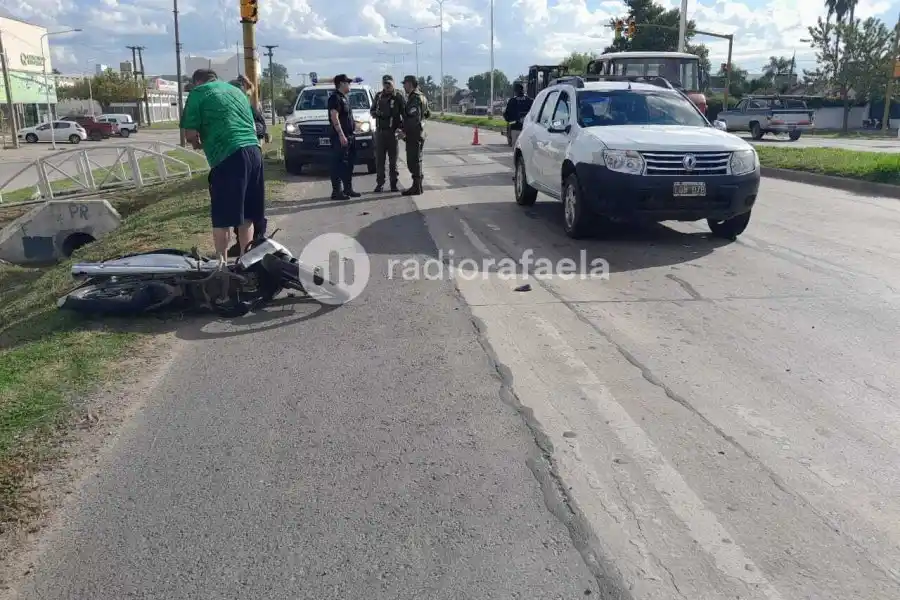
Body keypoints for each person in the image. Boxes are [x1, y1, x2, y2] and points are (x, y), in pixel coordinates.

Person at [180, 68, 264, 266]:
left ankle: (222, 266)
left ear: (197, 82)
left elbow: (190, 134)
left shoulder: (198, 93)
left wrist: (199, 144)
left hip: (229, 156)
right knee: (246, 215)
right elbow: (252, 122)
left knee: (223, 218)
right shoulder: (236, 91)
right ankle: (247, 263)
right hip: (254, 152)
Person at [227, 75, 269, 257]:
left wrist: (253, 132)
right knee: (239, 204)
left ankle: (258, 238)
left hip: (251, 155)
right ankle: (242, 241)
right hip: (236, 156)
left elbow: (261, 125)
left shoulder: (248, 107)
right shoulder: (231, 106)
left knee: (252, 203)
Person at [327, 74, 361, 200]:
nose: (349, 85)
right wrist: (341, 135)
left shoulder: (344, 98)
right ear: (341, 83)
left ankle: (348, 189)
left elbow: (346, 117)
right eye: (348, 82)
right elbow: (334, 117)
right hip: (340, 137)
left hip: (350, 136)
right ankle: (337, 191)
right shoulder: (335, 98)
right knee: (338, 164)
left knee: (349, 164)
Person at [370, 74, 405, 193]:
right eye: (385, 84)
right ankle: (380, 184)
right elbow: (372, 111)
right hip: (380, 132)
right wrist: (379, 113)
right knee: (380, 160)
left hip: (392, 133)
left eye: (389, 83)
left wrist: (402, 128)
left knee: (393, 161)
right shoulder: (378, 96)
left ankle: (393, 184)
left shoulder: (398, 97)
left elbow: (404, 114)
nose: (387, 86)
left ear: (393, 83)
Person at [399, 74, 430, 196]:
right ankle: (417, 186)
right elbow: (428, 114)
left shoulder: (415, 98)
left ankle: (416, 187)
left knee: (413, 161)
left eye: (404, 84)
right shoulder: (422, 97)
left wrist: (404, 132)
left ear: (410, 84)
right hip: (419, 132)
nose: (403, 86)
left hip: (414, 133)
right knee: (416, 159)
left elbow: (413, 119)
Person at [503, 82, 533, 147]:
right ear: (523, 90)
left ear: (515, 91)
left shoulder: (512, 101)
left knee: (515, 147)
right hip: (526, 129)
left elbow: (506, 115)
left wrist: (510, 120)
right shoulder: (530, 101)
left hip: (515, 127)